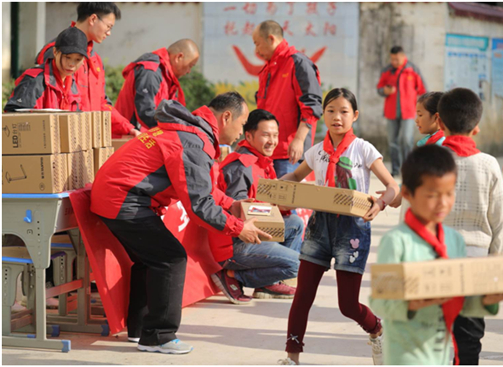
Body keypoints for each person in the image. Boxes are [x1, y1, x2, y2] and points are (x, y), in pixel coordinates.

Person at [90, 92, 270, 354]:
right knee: (171, 258)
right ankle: (159, 336)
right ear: (226, 117)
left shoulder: (190, 133)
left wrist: (230, 204)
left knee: (151, 258)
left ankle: (140, 329)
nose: (241, 134)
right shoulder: (192, 141)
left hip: (118, 195)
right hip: (124, 199)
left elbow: (197, 185)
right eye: (242, 125)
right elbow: (198, 205)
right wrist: (239, 228)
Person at [277, 88, 400, 365]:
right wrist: (269, 190)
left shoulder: (364, 149)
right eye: (331, 111)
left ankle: (376, 329)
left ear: (354, 116)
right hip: (319, 226)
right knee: (302, 296)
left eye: (344, 111)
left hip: (353, 229)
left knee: (347, 305)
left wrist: (379, 205)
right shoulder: (317, 151)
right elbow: (295, 176)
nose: (337, 117)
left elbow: (392, 187)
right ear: (323, 115)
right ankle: (291, 357)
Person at [370, 144, 503, 365]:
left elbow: (463, 303)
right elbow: (381, 302)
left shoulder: (454, 241)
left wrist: (488, 299)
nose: (443, 202)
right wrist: (416, 300)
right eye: (432, 195)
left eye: (449, 193)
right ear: (408, 194)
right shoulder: (397, 241)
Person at [435, 88, 503, 364]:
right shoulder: (489, 165)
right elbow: (498, 223)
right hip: (477, 261)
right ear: (476, 127)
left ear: (439, 122)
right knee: (470, 335)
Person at [209, 109, 302, 303]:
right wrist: (273, 204)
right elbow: (239, 211)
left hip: (254, 233)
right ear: (249, 135)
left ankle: (267, 283)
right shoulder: (241, 166)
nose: (272, 141)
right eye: (266, 135)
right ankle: (234, 276)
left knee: (295, 223)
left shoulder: (262, 161)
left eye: (275, 135)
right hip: (235, 244)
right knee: (300, 264)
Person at [35, 2, 139, 137]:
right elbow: (48, 102)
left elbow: (102, 103)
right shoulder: (56, 52)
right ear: (93, 19)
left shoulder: (95, 60)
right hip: (62, 139)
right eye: (108, 27)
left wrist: (128, 128)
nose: (109, 33)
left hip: (87, 141)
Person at [252, 20, 323, 177]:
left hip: (289, 153)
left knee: (286, 200)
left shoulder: (298, 62)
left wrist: (298, 140)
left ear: (271, 39)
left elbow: (312, 106)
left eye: (257, 43)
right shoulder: (268, 68)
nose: (256, 50)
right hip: (267, 151)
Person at [115, 39, 200, 131]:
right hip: (127, 135)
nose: (188, 72)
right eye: (190, 66)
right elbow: (145, 113)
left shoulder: (167, 76)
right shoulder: (150, 71)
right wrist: (174, 129)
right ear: (178, 57)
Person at [385, 92, 445, 212]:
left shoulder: (440, 147)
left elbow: (422, 178)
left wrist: (400, 192)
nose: (416, 121)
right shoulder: (429, 143)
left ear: (436, 117)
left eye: (420, 115)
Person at [4, 27, 88, 112]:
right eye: (68, 57)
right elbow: (14, 116)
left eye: (78, 60)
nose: (72, 64)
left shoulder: (72, 84)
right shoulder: (35, 80)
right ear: (55, 52)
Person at [376, 46, 427, 177]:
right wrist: (384, 91)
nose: (394, 62)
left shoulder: (413, 70)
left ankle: (408, 168)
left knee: (406, 140)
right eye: (392, 59)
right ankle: (395, 169)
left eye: (397, 59)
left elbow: (422, 90)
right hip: (391, 112)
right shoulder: (387, 70)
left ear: (403, 56)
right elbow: (380, 88)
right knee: (392, 142)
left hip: (408, 112)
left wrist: (422, 109)